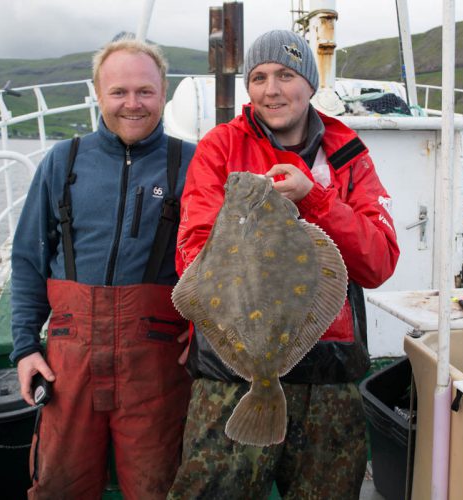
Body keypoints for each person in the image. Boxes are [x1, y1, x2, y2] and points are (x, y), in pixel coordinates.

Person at [168, 30, 399, 499]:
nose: (271, 90)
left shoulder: (348, 153)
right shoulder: (220, 148)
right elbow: (192, 248)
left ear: (310, 84)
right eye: (258, 77)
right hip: (231, 376)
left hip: (329, 374)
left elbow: (378, 261)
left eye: (286, 75)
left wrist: (314, 199)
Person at [10, 38, 195, 499]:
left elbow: (220, 261)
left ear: (163, 92)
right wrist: (24, 347)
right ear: (98, 93)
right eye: (119, 92)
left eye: (145, 91)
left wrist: (207, 336)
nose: (132, 104)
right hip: (68, 359)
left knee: (158, 486)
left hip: (156, 360)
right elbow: (30, 259)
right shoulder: (62, 161)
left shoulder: (192, 163)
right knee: (59, 484)